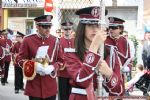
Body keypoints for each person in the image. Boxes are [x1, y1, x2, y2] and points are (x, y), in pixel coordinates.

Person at [64, 6, 124, 100]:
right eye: (90, 25)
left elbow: (119, 90)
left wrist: (109, 73)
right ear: (82, 28)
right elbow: (82, 81)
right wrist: (95, 45)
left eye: (98, 26)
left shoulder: (111, 52)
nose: (95, 29)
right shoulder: (71, 53)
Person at [17, 15, 61, 100]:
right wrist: (34, 66)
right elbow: (19, 60)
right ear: (37, 26)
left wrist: (52, 67)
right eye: (44, 27)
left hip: (50, 86)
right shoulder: (28, 40)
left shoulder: (55, 41)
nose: (48, 29)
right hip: (34, 86)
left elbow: (61, 61)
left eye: (49, 26)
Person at [105, 17, 132, 94]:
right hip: (107, 75)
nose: (111, 30)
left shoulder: (124, 41)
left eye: (113, 28)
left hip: (120, 75)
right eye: (110, 27)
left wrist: (127, 68)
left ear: (120, 29)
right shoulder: (105, 39)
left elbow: (129, 59)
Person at [58, 21, 75, 100]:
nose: (67, 31)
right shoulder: (59, 41)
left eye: (69, 29)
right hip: (63, 72)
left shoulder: (75, 41)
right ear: (63, 30)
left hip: (73, 72)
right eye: (66, 29)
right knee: (63, 94)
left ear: (71, 30)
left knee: (72, 94)